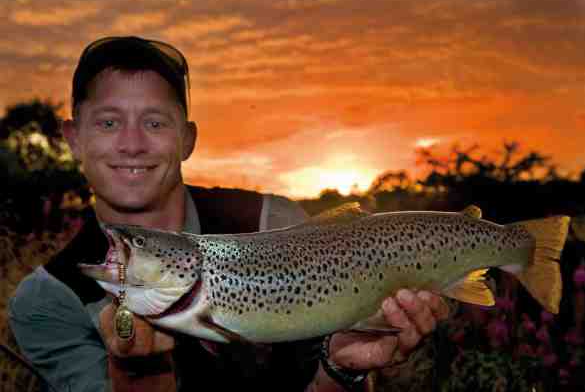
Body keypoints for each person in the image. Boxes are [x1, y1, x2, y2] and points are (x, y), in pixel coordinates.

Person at [9, 36, 449, 392]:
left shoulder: (275, 222)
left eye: (155, 122)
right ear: (72, 138)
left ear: (187, 139)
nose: (131, 144)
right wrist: (140, 376)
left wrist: (342, 371)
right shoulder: (47, 300)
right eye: (108, 122)